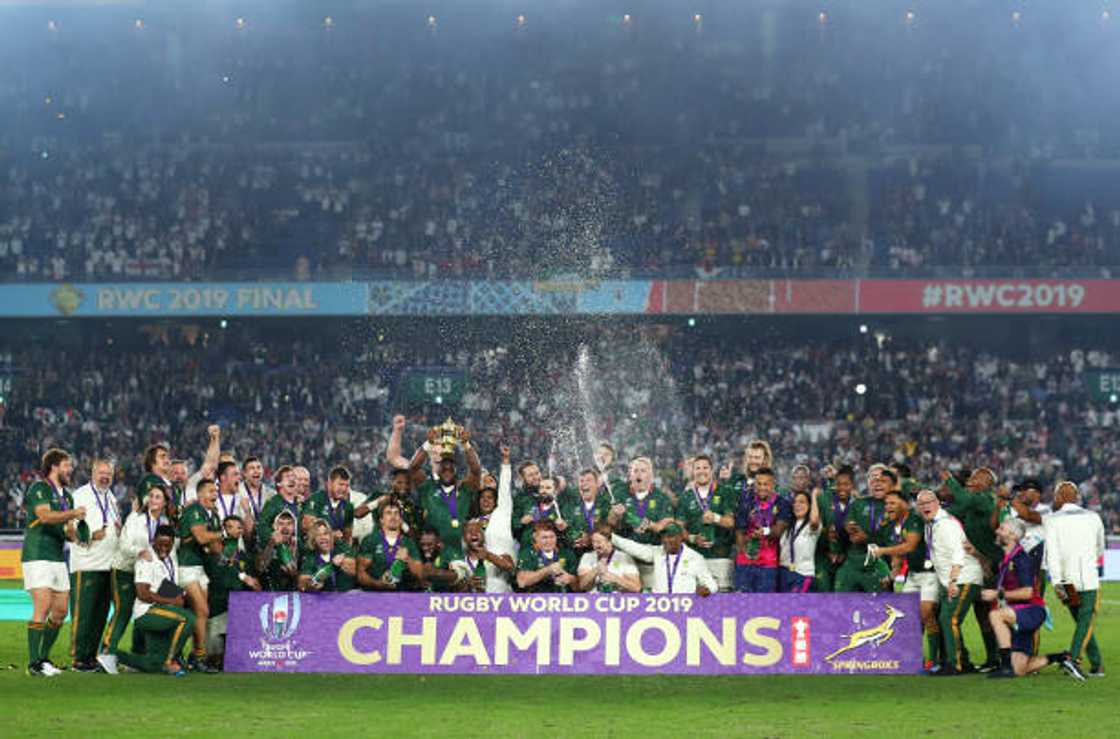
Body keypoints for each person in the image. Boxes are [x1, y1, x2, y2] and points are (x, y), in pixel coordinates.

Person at [97, 525, 194, 677]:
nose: (163, 548)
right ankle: (171, 661)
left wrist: (179, 595)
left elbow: (164, 583)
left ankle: (114, 656)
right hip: (147, 612)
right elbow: (142, 594)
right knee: (187, 619)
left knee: (153, 664)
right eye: (160, 544)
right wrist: (171, 600)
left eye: (167, 545)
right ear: (153, 541)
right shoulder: (146, 560)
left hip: (163, 612)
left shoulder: (171, 557)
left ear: (173, 543)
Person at [23, 449, 85, 677]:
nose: (70, 470)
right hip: (37, 554)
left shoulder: (66, 496)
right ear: (54, 466)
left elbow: (68, 531)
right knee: (43, 605)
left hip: (58, 557)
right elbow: (45, 516)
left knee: (60, 611)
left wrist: (82, 536)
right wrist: (72, 513)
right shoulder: (40, 488)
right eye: (67, 466)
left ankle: (44, 658)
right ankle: (33, 664)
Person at [984, 519, 1070, 679]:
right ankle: (1060, 657)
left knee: (995, 615)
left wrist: (997, 594)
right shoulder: (1007, 559)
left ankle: (1004, 665)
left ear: (1013, 536)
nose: (997, 531)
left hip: (1031, 611)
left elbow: (1027, 593)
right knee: (1020, 670)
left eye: (1001, 529)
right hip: (1017, 613)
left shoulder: (1021, 559)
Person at [869, 488, 939, 668]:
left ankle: (934, 660)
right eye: (886, 504)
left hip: (930, 574)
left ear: (905, 504)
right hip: (913, 575)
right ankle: (916, 659)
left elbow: (909, 546)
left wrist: (882, 551)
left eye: (892, 503)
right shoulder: (895, 525)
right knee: (908, 617)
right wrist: (892, 574)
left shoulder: (914, 520)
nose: (888, 507)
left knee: (926, 614)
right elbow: (899, 555)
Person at [917, 489, 984, 676]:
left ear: (938, 503)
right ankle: (963, 662)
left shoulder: (946, 525)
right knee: (947, 619)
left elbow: (958, 553)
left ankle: (956, 665)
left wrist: (953, 581)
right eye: (921, 504)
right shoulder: (932, 525)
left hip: (964, 577)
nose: (925, 506)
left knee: (949, 619)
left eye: (929, 502)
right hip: (952, 580)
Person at [1044, 481, 1106, 679]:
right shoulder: (1093, 517)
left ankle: (1096, 664)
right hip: (1088, 579)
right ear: (1077, 496)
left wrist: (1056, 582)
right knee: (1085, 622)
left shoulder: (1052, 520)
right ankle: (1074, 659)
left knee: (1082, 622)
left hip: (1066, 581)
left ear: (1058, 498)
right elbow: (1100, 548)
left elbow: (1051, 555)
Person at [67, 458, 121, 672]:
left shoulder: (112, 498)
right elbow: (69, 529)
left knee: (100, 615)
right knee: (84, 614)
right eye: (102, 473)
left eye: (109, 473)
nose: (105, 477)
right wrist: (89, 536)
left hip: (108, 565)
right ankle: (79, 659)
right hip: (86, 564)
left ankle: (90, 656)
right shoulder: (80, 495)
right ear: (92, 473)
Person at [104, 483, 169, 655]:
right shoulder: (136, 519)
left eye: (158, 497)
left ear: (164, 503)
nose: (153, 500)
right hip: (124, 570)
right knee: (123, 612)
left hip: (145, 576)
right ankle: (105, 653)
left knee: (145, 611)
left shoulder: (163, 523)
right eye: (152, 496)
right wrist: (139, 552)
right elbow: (124, 546)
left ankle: (139, 653)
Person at [408, 424, 482, 560]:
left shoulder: (464, 490)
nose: (447, 469)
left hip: (459, 553)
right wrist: (428, 443)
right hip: (431, 551)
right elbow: (413, 468)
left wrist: (466, 444)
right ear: (438, 468)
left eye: (450, 467)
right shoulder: (428, 487)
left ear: (456, 470)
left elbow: (476, 470)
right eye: (444, 466)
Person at [176, 477, 223, 672]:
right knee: (201, 611)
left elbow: (215, 549)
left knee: (200, 613)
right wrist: (223, 534)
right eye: (211, 491)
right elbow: (202, 537)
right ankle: (196, 655)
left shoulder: (212, 515)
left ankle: (196, 654)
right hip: (185, 567)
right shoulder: (194, 510)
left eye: (216, 491)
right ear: (200, 494)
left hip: (200, 568)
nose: (215, 494)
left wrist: (215, 541)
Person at [205, 515, 261, 667]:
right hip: (217, 609)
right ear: (223, 530)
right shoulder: (215, 552)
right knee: (213, 658)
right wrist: (243, 577)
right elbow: (221, 576)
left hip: (237, 612)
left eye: (238, 527)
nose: (234, 530)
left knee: (234, 660)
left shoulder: (245, 557)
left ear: (242, 531)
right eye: (229, 527)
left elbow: (251, 582)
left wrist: (254, 586)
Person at [674, 454, 736, 591]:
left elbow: (731, 522)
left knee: (722, 601)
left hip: (720, 557)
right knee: (695, 601)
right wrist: (693, 538)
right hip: (694, 557)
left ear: (712, 470)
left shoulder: (725, 492)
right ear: (693, 471)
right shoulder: (686, 497)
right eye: (698, 468)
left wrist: (716, 518)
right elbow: (678, 527)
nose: (701, 471)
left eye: (705, 467)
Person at [610, 521, 717, 595]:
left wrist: (707, 589)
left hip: (684, 607)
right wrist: (612, 537)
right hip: (661, 606)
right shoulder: (657, 552)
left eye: (670, 536)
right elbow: (635, 548)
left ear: (680, 538)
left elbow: (711, 584)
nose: (666, 540)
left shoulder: (694, 557)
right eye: (664, 537)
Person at [730, 467, 792, 593]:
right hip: (745, 563)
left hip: (768, 564)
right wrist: (744, 548)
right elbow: (739, 531)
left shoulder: (782, 503)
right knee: (742, 603)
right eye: (759, 484)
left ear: (773, 485)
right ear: (754, 484)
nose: (762, 487)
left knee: (765, 604)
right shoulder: (746, 502)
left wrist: (765, 532)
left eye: (766, 484)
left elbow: (779, 529)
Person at [834, 467, 892, 593]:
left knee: (880, 607)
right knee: (839, 602)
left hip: (879, 563)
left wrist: (867, 539)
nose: (877, 482)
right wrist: (849, 528)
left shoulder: (895, 506)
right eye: (873, 478)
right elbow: (848, 525)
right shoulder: (858, 503)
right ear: (868, 483)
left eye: (881, 479)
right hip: (853, 562)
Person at [356, 500, 424, 591]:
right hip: (374, 595)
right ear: (381, 520)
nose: (393, 517)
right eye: (388, 513)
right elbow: (360, 574)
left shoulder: (409, 543)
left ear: (400, 520)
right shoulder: (370, 540)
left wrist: (408, 559)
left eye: (396, 513)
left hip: (401, 596)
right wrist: (377, 584)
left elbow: (420, 575)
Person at [449, 520, 516, 592]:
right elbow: (454, 595)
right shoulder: (459, 564)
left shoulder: (500, 553)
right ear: (464, 538)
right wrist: (468, 586)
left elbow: (510, 567)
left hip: (503, 602)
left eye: (477, 530)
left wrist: (488, 555)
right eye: (469, 531)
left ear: (484, 535)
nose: (473, 533)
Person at [577, 522, 641, 593]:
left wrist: (615, 579)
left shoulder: (624, 557)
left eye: (599, 542)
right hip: (593, 600)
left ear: (610, 541)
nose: (595, 545)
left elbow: (636, 588)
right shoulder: (587, 557)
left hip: (616, 601)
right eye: (593, 541)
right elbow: (582, 586)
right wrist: (595, 570)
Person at [516, 522, 578, 593]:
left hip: (562, 599)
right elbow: (521, 582)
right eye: (544, 537)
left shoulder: (567, 554)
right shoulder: (527, 554)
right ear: (535, 538)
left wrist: (571, 579)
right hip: (536, 600)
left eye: (552, 537)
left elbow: (579, 588)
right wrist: (547, 570)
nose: (548, 541)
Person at [563, 468, 612, 557]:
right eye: (581, 481)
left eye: (588, 480)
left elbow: (610, 527)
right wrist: (576, 537)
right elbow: (567, 529)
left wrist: (590, 538)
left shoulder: (607, 504)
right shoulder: (570, 506)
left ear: (597, 484)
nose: (584, 483)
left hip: (602, 553)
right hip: (576, 554)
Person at [778, 489, 821, 593]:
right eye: (795, 502)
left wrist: (814, 496)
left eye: (802, 502)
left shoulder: (811, 527)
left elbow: (814, 520)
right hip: (784, 572)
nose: (797, 505)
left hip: (803, 574)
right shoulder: (789, 527)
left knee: (797, 607)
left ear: (810, 506)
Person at [299, 520, 358, 592]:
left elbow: (353, 569)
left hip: (347, 597)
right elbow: (302, 584)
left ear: (330, 535)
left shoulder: (341, 547)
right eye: (318, 535)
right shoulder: (310, 556)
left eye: (325, 533)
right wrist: (332, 566)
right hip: (323, 600)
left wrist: (318, 576)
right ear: (314, 540)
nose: (323, 537)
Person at [302, 466, 355, 546]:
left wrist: (347, 553)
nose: (344, 489)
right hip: (315, 548)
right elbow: (307, 526)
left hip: (337, 550)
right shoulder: (317, 499)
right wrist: (330, 534)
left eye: (347, 485)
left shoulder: (348, 506)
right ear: (329, 484)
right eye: (340, 484)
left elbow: (348, 536)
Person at [256, 465, 303, 546]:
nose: (291, 479)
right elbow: (262, 526)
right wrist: (274, 537)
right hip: (280, 552)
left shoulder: (300, 503)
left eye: (293, 477)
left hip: (298, 551)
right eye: (287, 477)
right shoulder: (273, 503)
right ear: (279, 484)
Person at [516, 476, 567, 547]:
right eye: (541, 487)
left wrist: (564, 529)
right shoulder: (529, 505)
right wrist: (521, 522)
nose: (543, 491)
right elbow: (514, 528)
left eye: (548, 488)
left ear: (555, 491)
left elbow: (568, 535)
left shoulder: (563, 508)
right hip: (527, 550)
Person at [258, 510, 300, 592]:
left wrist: (295, 573)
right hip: (268, 593)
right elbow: (260, 567)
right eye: (281, 523)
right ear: (274, 527)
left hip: (294, 595)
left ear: (294, 527)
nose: (285, 527)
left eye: (289, 524)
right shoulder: (266, 544)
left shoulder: (300, 546)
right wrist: (271, 544)